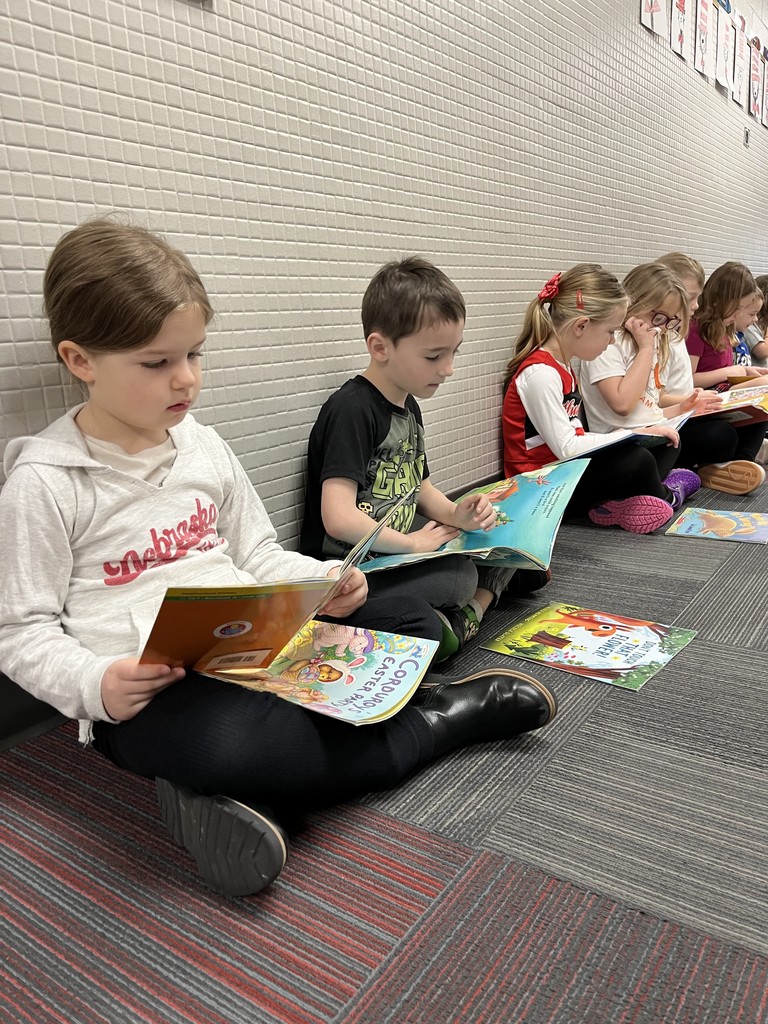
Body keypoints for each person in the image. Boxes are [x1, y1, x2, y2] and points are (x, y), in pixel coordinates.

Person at [0, 220, 558, 898]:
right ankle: (434, 723)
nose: (187, 380)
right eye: (157, 363)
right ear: (81, 360)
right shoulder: (46, 483)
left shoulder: (202, 447)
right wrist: (96, 684)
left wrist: (324, 581)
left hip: (255, 642)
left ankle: (255, 792)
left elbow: (259, 553)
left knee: (410, 620)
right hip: (146, 695)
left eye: (195, 354)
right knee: (236, 747)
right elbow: (21, 632)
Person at [300, 257, 548, 660]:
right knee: (458, 580)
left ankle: (465, 609)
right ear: (380, 347)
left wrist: (458, 515)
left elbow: (420, 488)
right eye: (434, 356)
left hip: (396, 549)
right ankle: (471, 609)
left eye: (453, 353)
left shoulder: (408, 405)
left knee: (516, 550)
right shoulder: (352, 409)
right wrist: (412, 545)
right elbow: (338, 517)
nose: (448, 369)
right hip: (353, 570)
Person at [502, 265, 694, 534]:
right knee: (637, 459)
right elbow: (567, 448)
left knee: (665, 443)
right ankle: (665, 496)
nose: (613, 341)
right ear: (581, 326)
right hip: (540, 492)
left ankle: (621, 501)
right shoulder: (540, 374)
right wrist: (634, 433)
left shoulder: (563, 366)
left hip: (565, 473)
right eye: (610, 332)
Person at [656, 253, 765, 494]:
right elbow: (669, 392)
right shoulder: (691, 331)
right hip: (683, 414)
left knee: (759, 412)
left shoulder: (690, 333)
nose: (694, 305)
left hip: (696, 405)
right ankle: (718, 466)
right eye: (742, 309)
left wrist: (744, 372)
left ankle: (738, 463)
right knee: (721, 435)